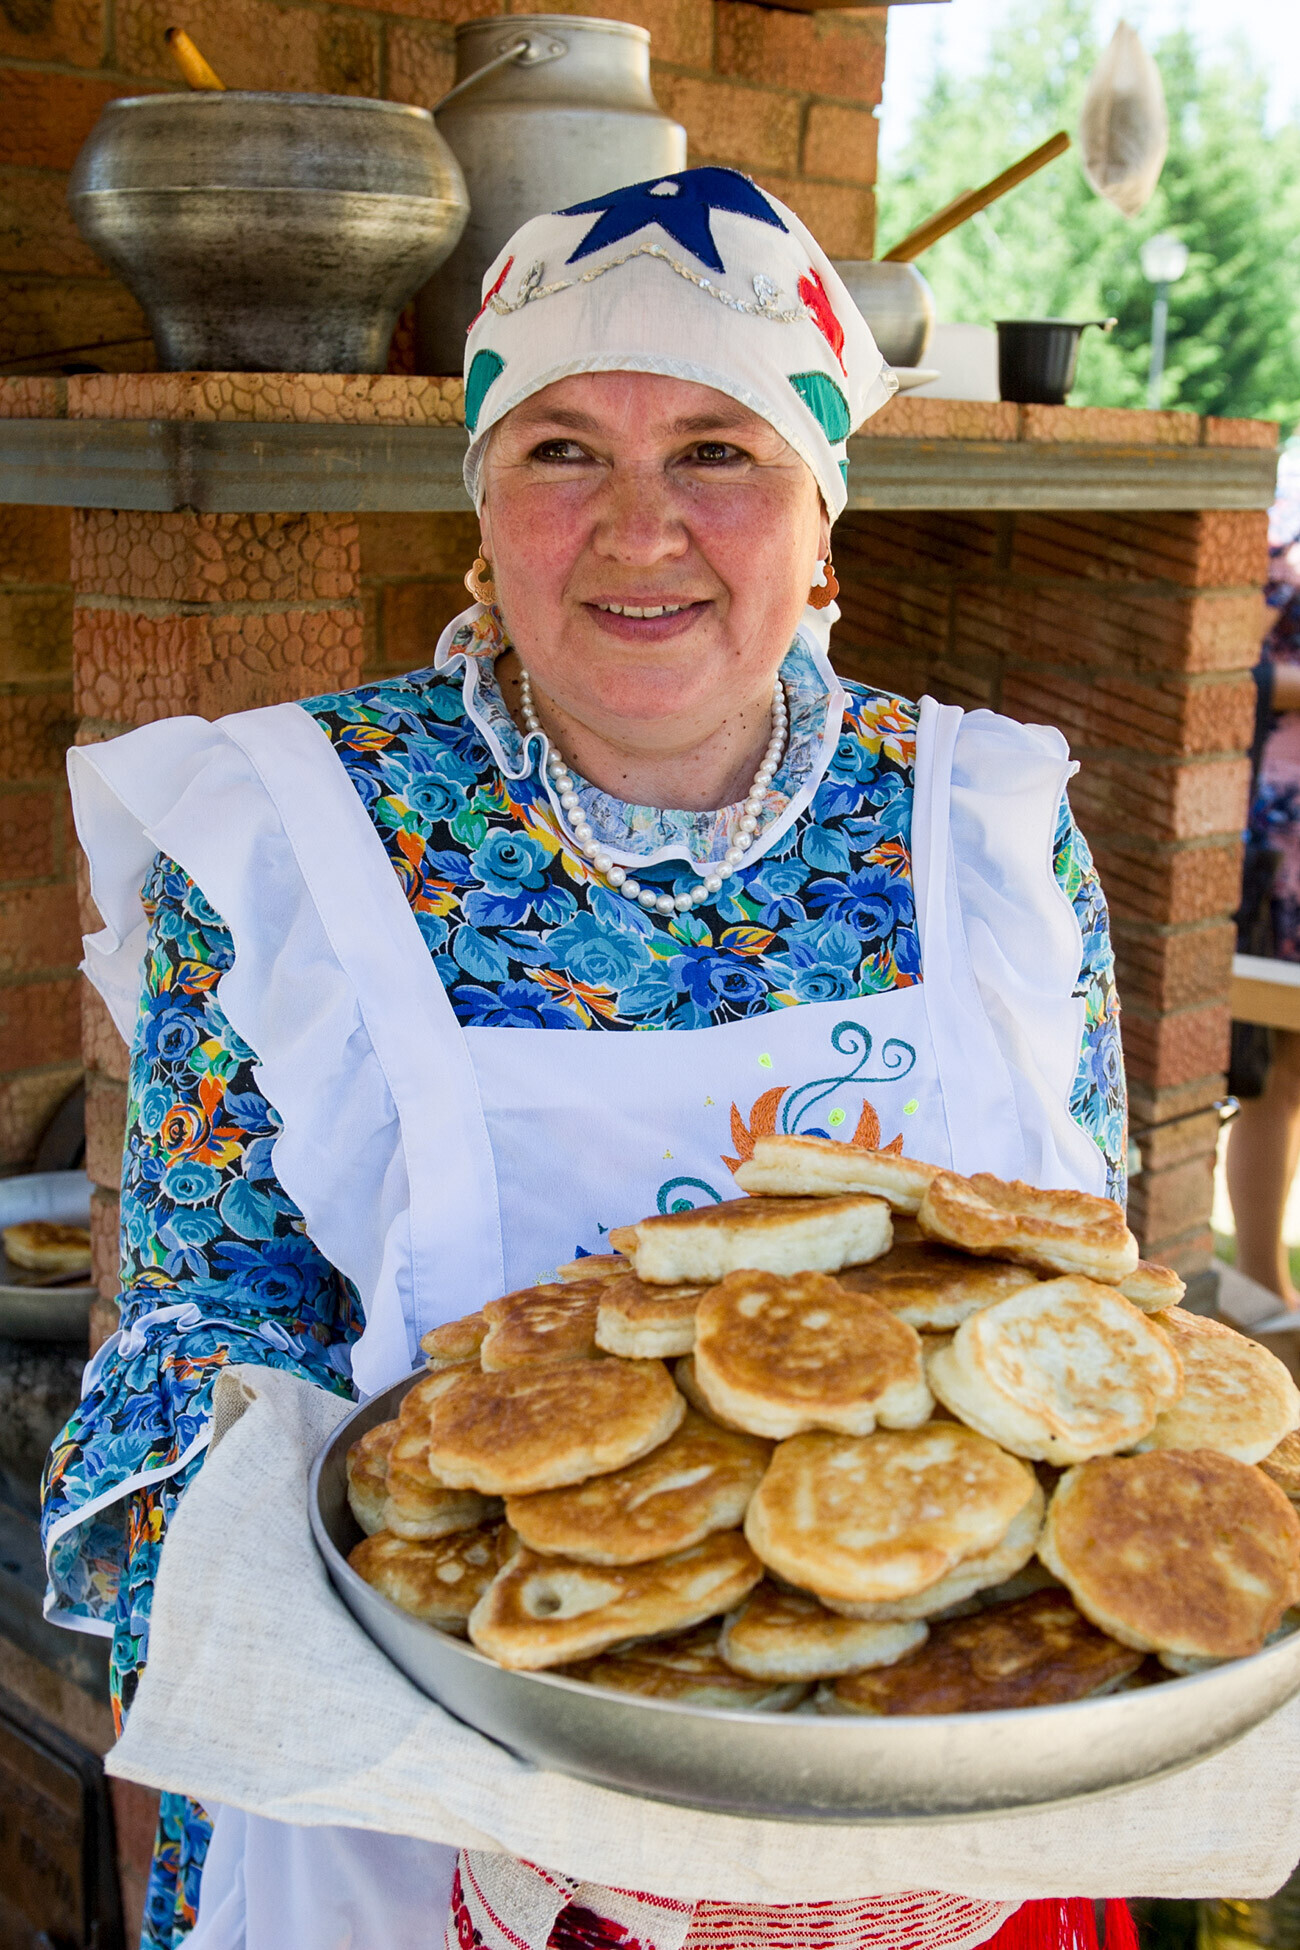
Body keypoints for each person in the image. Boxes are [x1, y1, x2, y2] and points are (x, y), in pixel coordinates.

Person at [42, 168, 1125, 1950]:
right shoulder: (294, 838)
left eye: (720, 449)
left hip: (918, 1800)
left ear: (823, 519)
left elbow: (1069, 1333)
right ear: (480, 508)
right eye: (561, 451)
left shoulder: (981, 834)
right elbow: (202, 1359)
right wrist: (369, 1752)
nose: (639, 529)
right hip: (412, 1809)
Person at [1227, 453, 1300, 1306]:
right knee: (1275, 1068)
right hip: (1283, 832)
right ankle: (1260, 1276)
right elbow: (1231, 663)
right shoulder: (1280, 505)